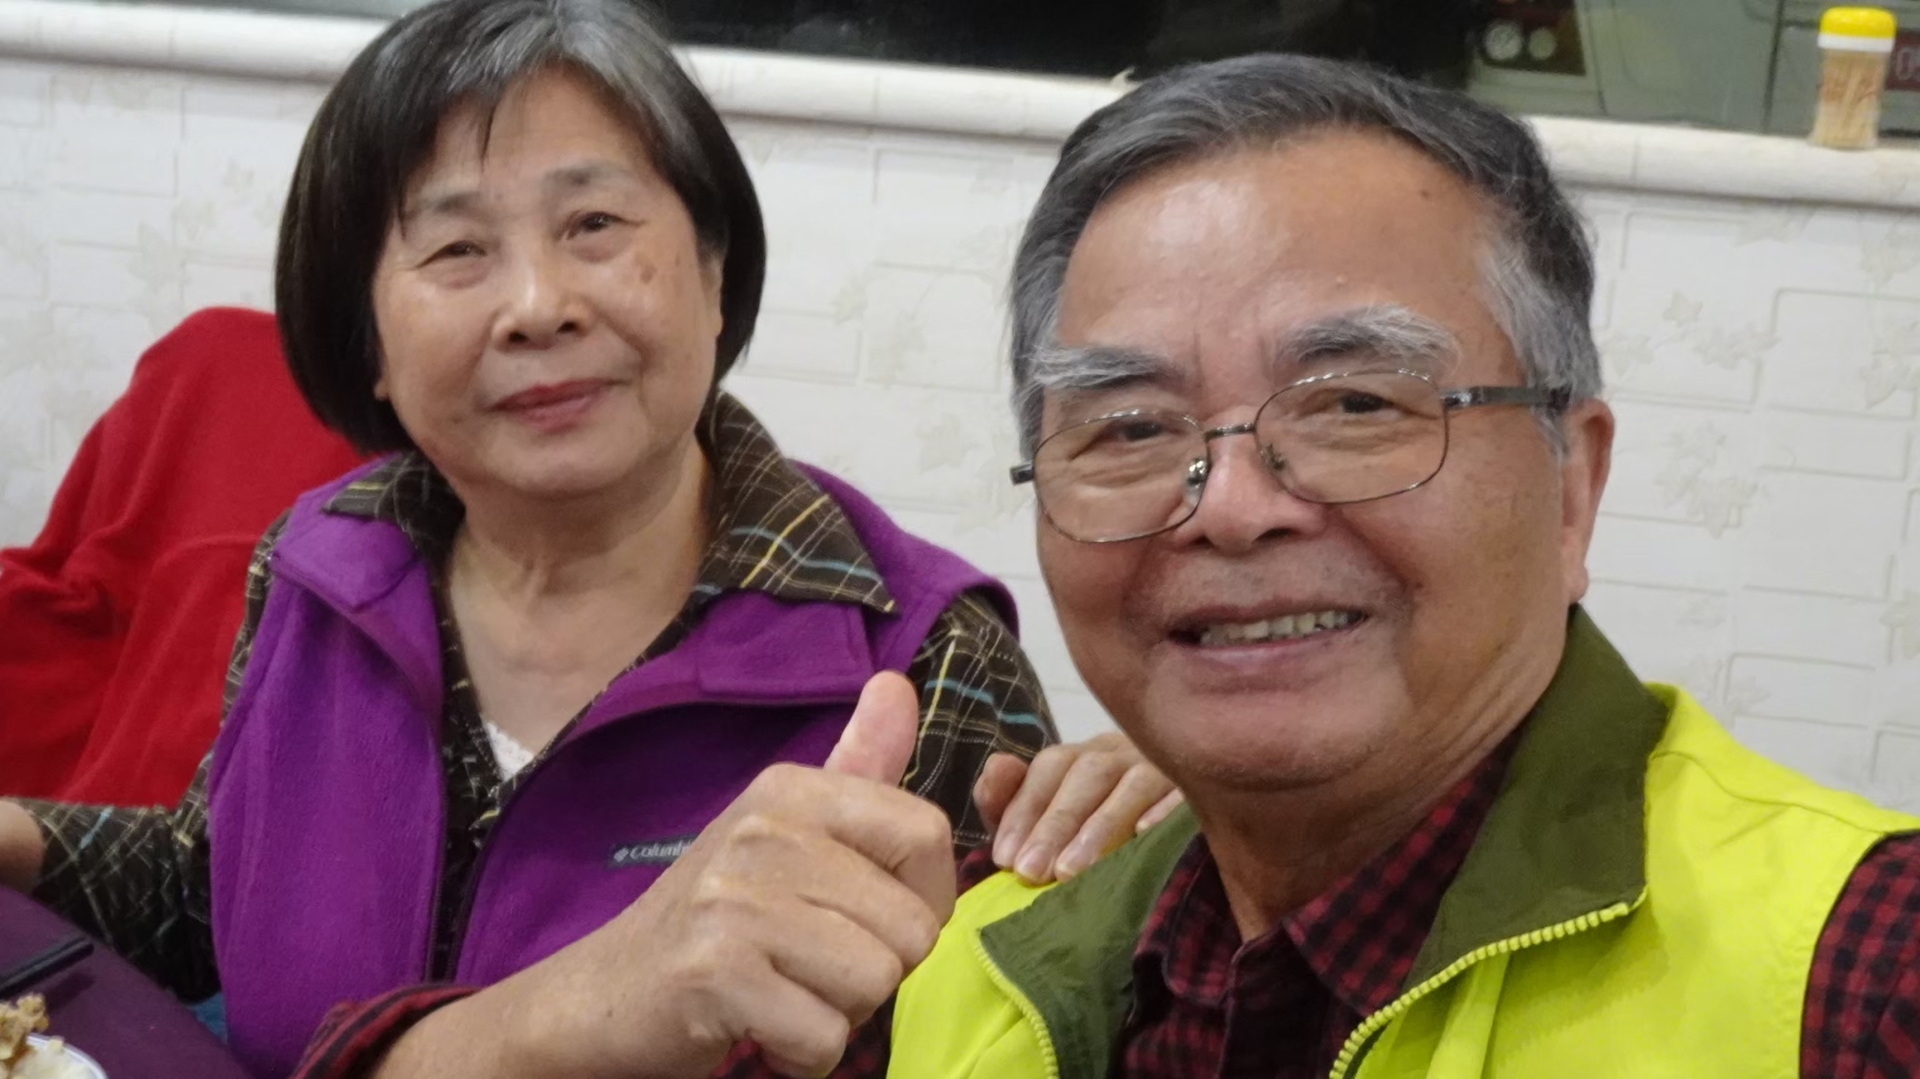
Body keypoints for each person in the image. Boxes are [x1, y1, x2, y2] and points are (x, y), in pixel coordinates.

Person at [0, 1, 1183, 1076]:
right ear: (367, 339)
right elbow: (213, 887)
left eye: (595, 223)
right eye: (457, 250)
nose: (538, 305)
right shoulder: (319, 559)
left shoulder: (924, 662)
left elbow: (1005, 1025)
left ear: (714, 273)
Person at [876, 55, 1920, 1077]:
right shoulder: (969, 958)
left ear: (1572, 487)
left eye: (1355, 404)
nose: (1232, 508)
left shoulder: (1868, 983)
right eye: (1133, 427)